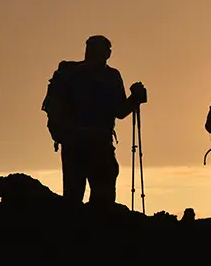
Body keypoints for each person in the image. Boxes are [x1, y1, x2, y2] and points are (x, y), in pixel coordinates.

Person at [42, 35, 147, 207]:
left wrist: (135, 99)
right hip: (97, 144)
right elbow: (120, 111)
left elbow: (119, 111)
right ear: (106, 53)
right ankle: (96, 231)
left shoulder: (70, 75)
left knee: (73, 197)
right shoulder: (110, 77)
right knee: (101, 200)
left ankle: (76, 230)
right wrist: (135, 98)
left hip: (75, 144)